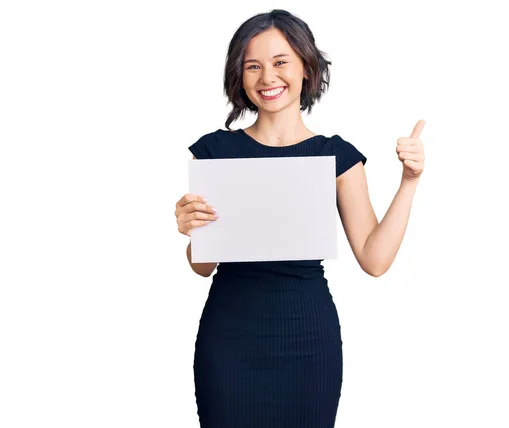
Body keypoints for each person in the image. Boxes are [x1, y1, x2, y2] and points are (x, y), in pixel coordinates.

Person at [173, 9, 426, 428]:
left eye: (280, 62)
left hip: (308, 341)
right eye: (252, 66)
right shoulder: (216, 152)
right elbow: (202, 267)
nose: (267, 77)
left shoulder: (336, 156)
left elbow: (375, 259)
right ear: (239, 76)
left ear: (307, 68)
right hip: (230, 339)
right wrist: (191, 230)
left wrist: (410, 182)